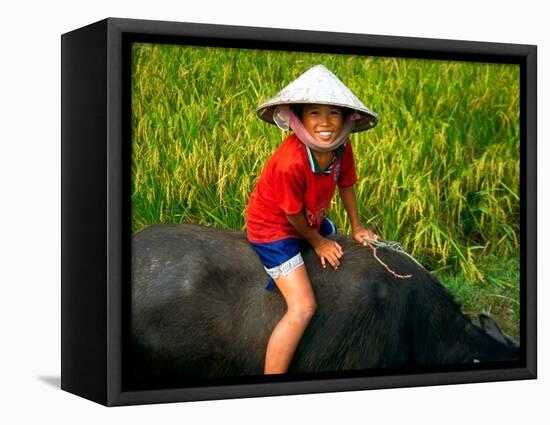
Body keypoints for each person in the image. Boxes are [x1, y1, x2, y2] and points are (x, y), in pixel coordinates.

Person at [245, 64, 379, 374]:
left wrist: (357, 227)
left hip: (309, 217)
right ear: (299, 118)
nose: (325, 122)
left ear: (347, 119)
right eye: (314, 113)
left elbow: (346, 183)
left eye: (333, 113)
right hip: (275, 228)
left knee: (337, 235)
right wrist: (318, 242)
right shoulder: (290, 161)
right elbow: (291, 215)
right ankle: (271, 383)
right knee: (303, 307)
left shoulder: (341, 149)